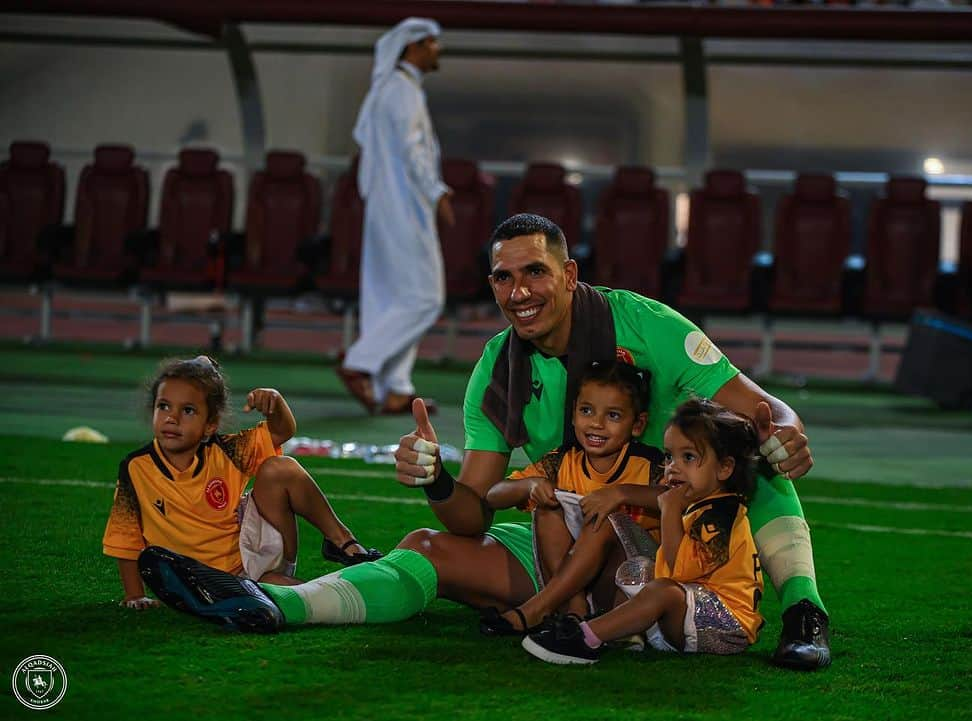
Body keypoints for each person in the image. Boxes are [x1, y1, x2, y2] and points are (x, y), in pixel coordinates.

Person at [140, 213, 830, 671]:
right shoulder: (497, 371)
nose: (518, 289)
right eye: (503, 276)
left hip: (677, 537)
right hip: (572, 537)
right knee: (426, 544)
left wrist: (788, 429)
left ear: (567, 275)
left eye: (534, 272)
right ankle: (269, 603)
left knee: (758, 454)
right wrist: (438, 478)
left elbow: (757, 404)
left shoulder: (648, 325)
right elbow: (474, 510)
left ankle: (804, 612)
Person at [105, 355, 380, 609]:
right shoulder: (135, 467)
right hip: (198, 584)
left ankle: (343, 543)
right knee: (296, 596)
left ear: (210, 425)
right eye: (163, 406)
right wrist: (135, 596)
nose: (172, 418)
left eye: (188, 410)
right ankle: (351, 594)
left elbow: (282, 431)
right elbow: (126, 539)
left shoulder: (227, 451)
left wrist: (275, 401)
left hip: (248, 564)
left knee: (279, 468)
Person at [522, 399, 764, 665]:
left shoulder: (721, 515)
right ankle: (621, 630)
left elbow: (676, 575)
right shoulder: (700, 502)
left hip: (723, 625)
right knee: (635, 560)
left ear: (724, 468)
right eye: (670, 456)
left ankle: (584, 638)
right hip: (688, 612)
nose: (673, 467)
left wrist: (669, 510)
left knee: (663, 590)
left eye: (689, 457)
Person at [482, 360, 665, 632]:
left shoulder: (650, 465)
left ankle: (535, 610)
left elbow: (681, 500)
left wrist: (620, 493)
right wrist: (529, 486)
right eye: (586, 410)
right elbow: (493, 496)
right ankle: (574, 609)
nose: (596, 424)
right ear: (573, 414)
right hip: (575, 582)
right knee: (548, 509)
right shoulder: (562, 461)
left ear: (637, 424)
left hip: (632, 583)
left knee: (602, 519)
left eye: (613, 415)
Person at [337, 16, 454, 415]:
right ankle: (360, 362)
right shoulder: (401, 93)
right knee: (425, 297)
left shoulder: (391, 90)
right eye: (432, 43)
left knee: (389, 298)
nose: (438, 50)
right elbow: (413, 153)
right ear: (412, 47)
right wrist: (437, 193)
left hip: (387, 207)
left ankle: (396, 388)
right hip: (405, 207)